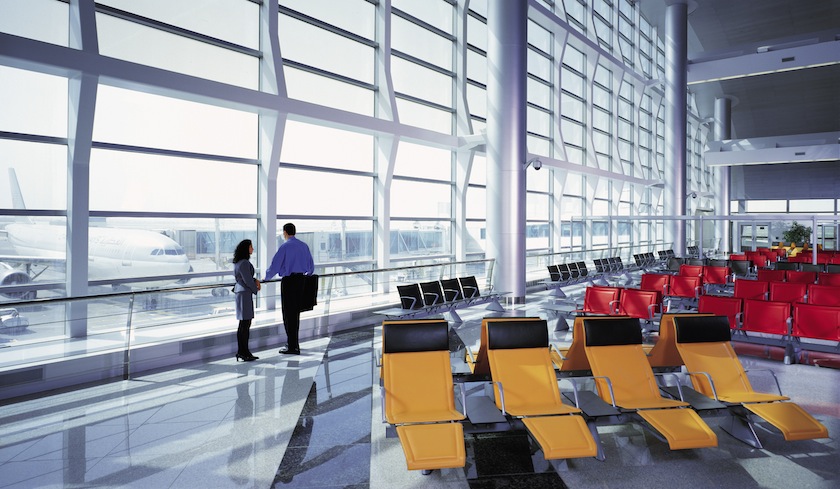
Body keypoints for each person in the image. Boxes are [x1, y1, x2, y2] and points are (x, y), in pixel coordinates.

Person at [264, 223, 314, 355]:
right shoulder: (304, 246)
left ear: (285, 232)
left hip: (289, 282)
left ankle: (292, 346)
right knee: (295, 313)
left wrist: (266, 278)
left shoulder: (285, 246)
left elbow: (275, 265)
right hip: (301, 281)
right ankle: (294, 343)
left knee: (288, 314)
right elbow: (311, 267)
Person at [233, 239, 260, 361]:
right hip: (244, 293)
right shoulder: (244, 263)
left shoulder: (239, 262)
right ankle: (244, 352)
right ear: (246, 249)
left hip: (242, 292)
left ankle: (242, 351)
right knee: (245, 324)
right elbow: (247, 280)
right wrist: (256, 288)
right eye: (251, 247)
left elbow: (246, 278)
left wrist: (253, 282)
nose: (252, 249)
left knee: (243, 324)